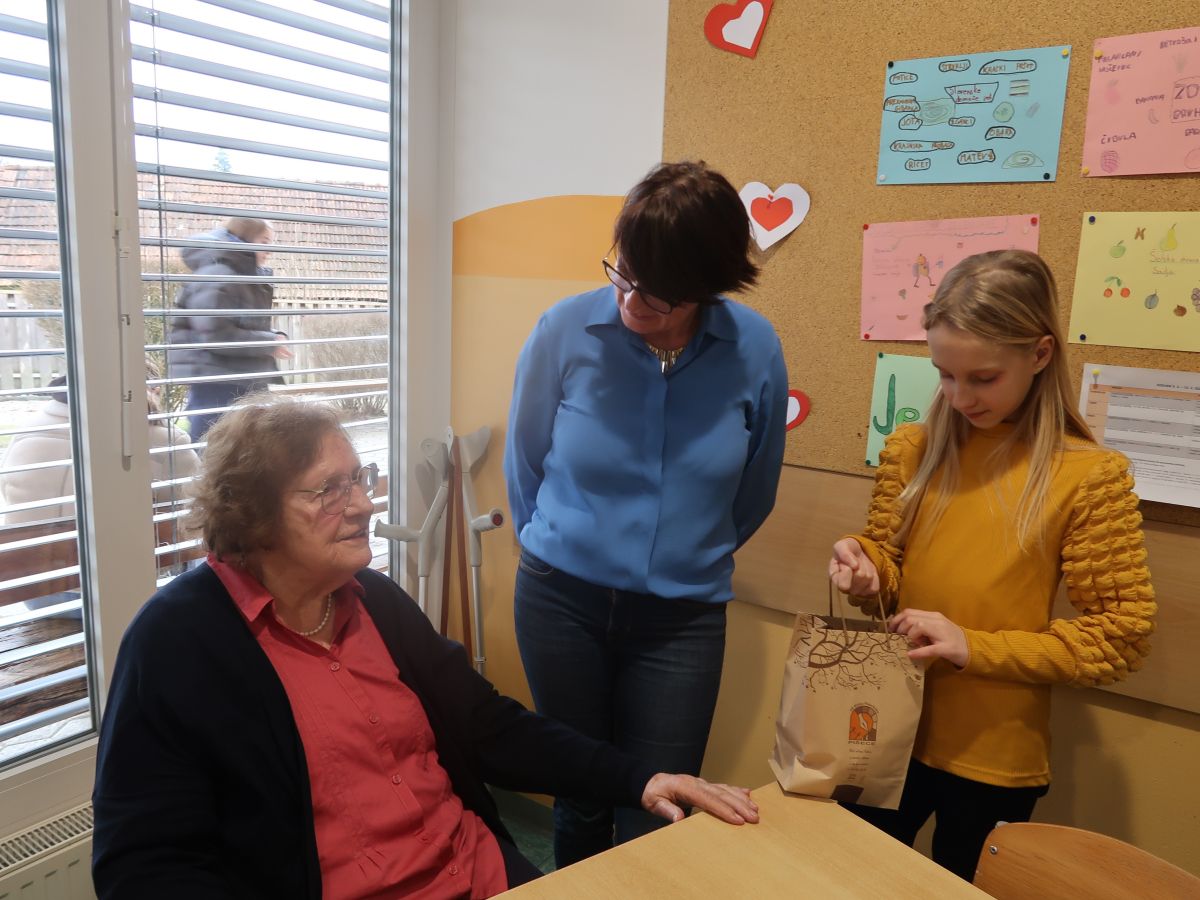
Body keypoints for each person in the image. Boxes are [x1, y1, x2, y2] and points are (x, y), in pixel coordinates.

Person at [91, 394, 759, 899]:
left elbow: (489, 726)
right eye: (329, 490)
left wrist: (638, 778)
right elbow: (142, 864)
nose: (362, 505)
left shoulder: (374, 600)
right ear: (254, 516)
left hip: (475, 871)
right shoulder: (178, 642)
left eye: (360, 478)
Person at [828, 249, 1156, 881]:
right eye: (944, 375)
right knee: (853, 878)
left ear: (1040, 354)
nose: (959, 397)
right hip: (886, 726)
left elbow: (1120, 636)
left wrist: (972, 647)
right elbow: (890, 569)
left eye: (982, 378)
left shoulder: (1086, 475)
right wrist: (867, 567)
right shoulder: (915, 448)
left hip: (993, 754)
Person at [504, 160, 788, 866]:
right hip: (560, 602)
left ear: (708, 286)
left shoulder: (754, 348)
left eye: (658, 293)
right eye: (624, 273)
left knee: (661, 811)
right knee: (580, 793)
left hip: (681, 621)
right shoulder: (563, 331)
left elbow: (755, 489)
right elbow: (525, 463)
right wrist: (561, 544)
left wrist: (687, 553)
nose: (632, 301)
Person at [0, 365, 199, 611]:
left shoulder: (27, 431)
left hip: (37, 593)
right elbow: (201, 508)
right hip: (115, 598)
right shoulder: (164, 440)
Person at [168, 216, 290, 441]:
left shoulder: (240, 274)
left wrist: (272, 338)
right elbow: (215, 334)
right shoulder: (218, 274)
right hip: (220, 384)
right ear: (245, 239)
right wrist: (268, 342)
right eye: (264, 242)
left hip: (238, 379)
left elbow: (239, 324)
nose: (269, 250)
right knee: (215, 447)